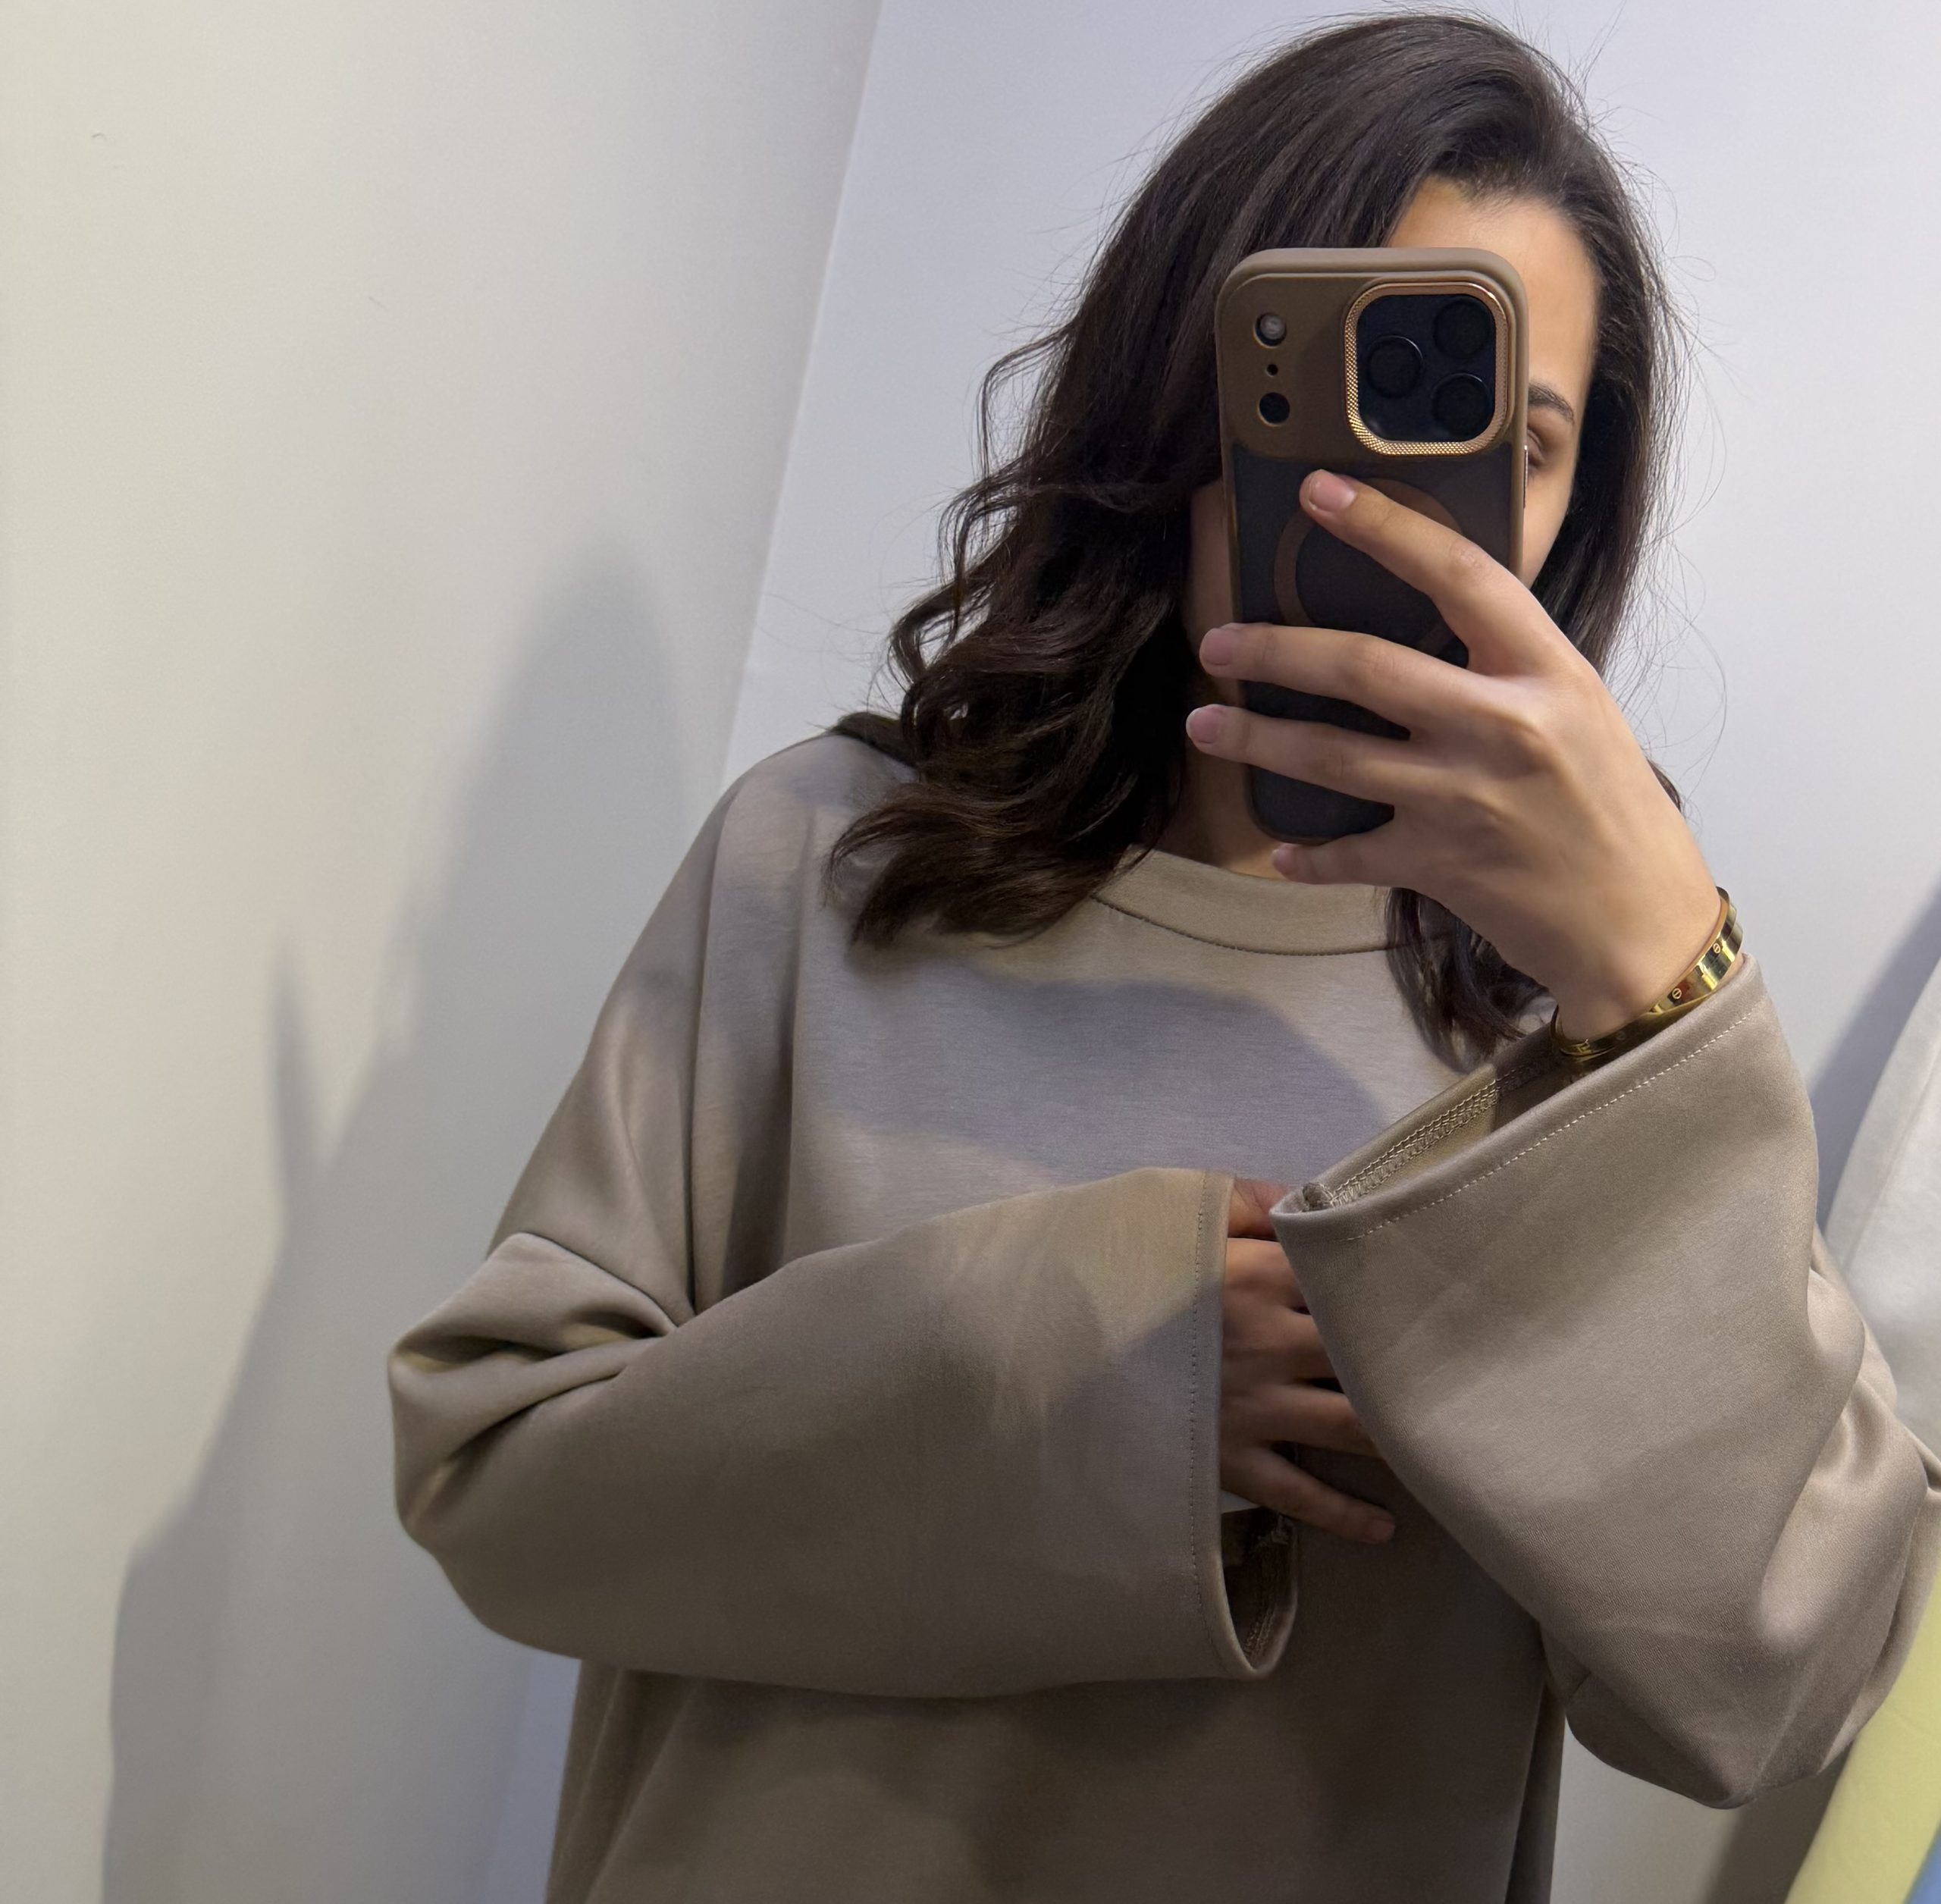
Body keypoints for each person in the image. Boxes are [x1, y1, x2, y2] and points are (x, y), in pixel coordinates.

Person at [387, 14, 1941, 1902]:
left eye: (1505, 439)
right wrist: (1094, 1360)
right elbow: (496, 1476)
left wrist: (1659, 997)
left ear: (1564, 511)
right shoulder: (823, 863)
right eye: (1333, 393)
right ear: (1186, 398)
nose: (1399, 500)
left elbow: (1776, 1691)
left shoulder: (1595, 1041)